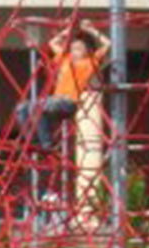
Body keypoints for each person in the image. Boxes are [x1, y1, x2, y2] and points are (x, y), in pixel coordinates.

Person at [14, 17, 111, 150]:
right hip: (54, 100)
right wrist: (67, 31)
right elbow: (53, 42)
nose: (74, 51)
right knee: (21, 108)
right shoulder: (65, 58)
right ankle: (33, 141)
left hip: (69, 102)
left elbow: (108, 44)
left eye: (79, 48)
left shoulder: (91, 61)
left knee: (36, 106)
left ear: (87, 50)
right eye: (73, 48)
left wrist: (91, 30)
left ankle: (47, 143)